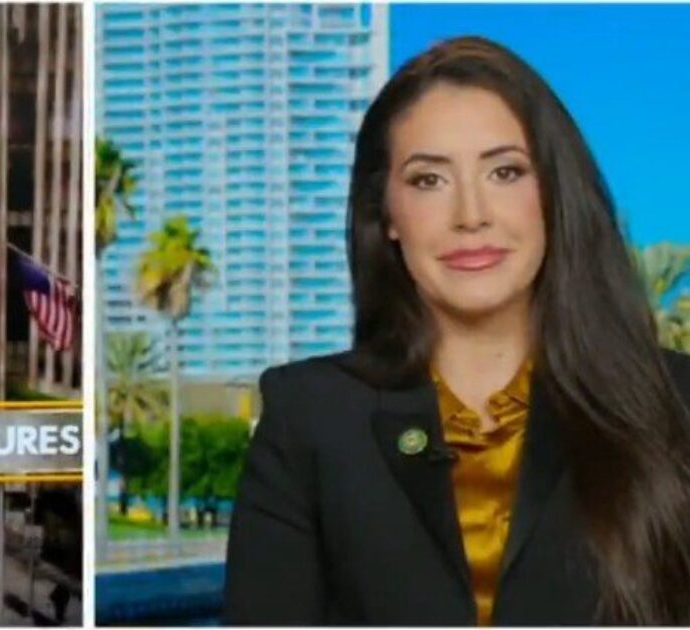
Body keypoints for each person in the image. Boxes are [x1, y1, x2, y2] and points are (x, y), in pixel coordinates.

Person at [224, 36, 690, 625]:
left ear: (554, 194)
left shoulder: (675, 405)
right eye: (429, 180)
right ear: (386, 215)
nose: (471, 215)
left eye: (505, 172)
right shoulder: (310, 418)